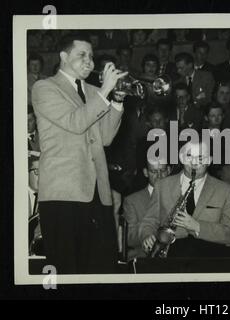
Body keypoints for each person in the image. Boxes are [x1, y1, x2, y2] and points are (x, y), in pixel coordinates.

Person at [31, 33, 129, 274]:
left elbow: (105, 137)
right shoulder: (44, 87)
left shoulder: (96, 91)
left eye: (92, 56)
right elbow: (75, 123)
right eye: (82, 55)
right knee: (67, 269)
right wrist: (106, 91)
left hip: (98, 192)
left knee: (100, 268)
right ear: (64, 56)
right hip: (63, 192)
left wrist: (116, 101)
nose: (90, 61)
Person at [139, 141, 230, 260]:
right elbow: (149, 221)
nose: (194, 163)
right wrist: (146, 236)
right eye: (189, 156)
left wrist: (198, 227)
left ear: (209, 160)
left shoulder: (227, 191)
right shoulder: (162, 186)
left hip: (211, 257)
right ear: (181, 158)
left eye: (200, 158)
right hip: (170, 256)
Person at [123, 159, 171, 260]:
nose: (159, 176)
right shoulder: (132, 201)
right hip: (143, 257)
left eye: (162, 171)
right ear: (145, 172)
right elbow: (129, 237)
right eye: (153, 171)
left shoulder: (178, 196)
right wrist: (145, 236)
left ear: (169, 170)